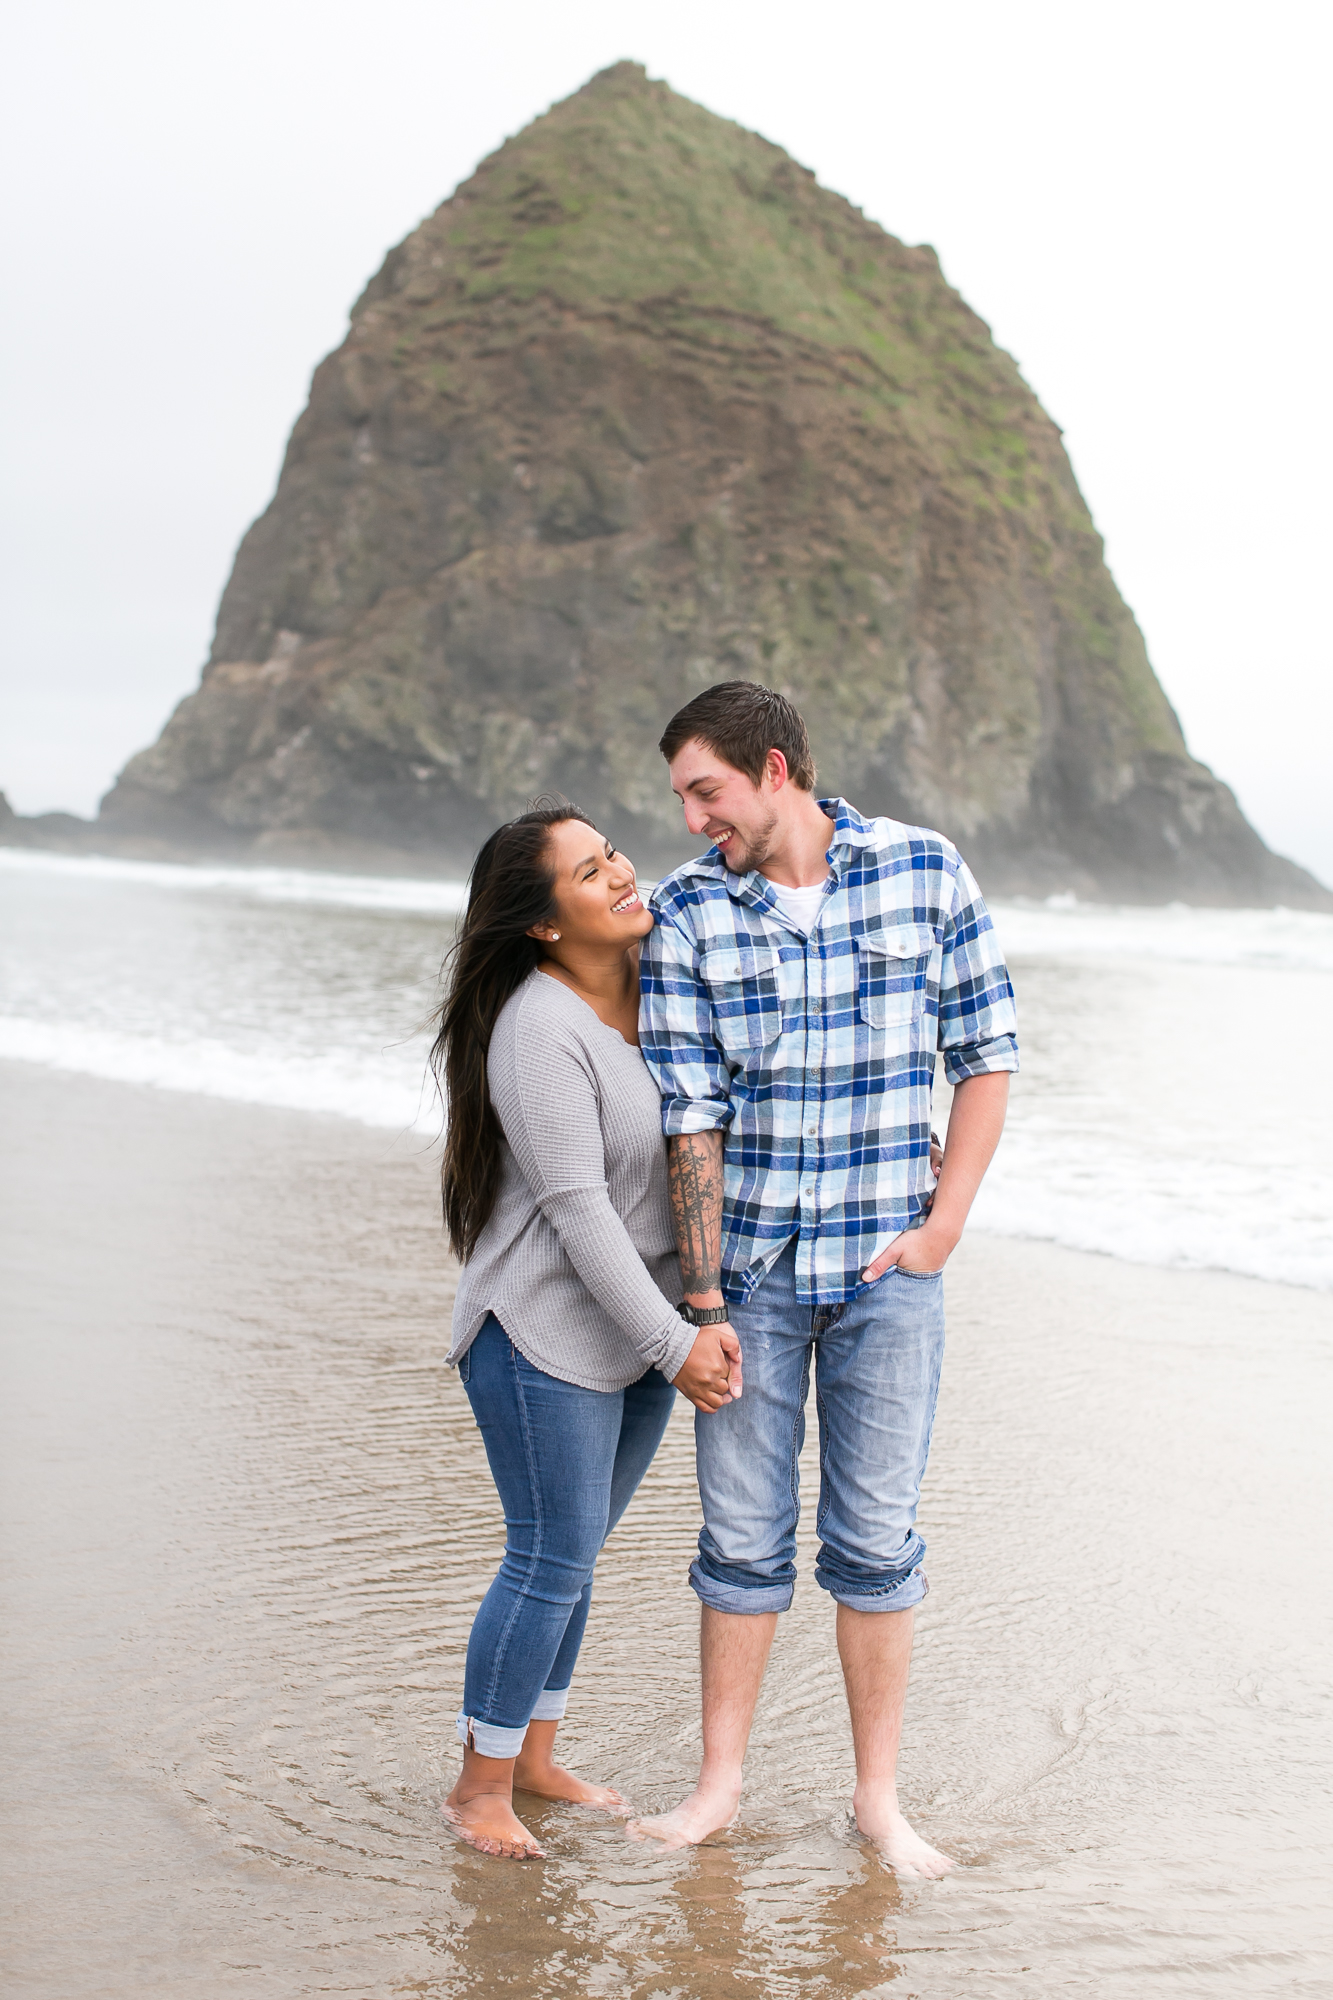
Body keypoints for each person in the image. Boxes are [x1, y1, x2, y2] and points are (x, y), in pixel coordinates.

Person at [632, 683, 1018, 1875]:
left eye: (708, 790)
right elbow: (687, 1118)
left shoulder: (924, 870)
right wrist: (700, 1303)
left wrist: (942, 1230)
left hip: (886, 1271)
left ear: (776, 768)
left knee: (876, 1538)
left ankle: (876, 1800)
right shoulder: (688, 912)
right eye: (685, 797)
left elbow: (987, 1052)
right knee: (738, 1540)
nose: (695, 818)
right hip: (746, 1275)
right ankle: (718, 1789)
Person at [431, 803, 741, 1860]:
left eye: (612, 852)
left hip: (638, 1333)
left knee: (575, 1554)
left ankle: (530, 1755)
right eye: (585, 872)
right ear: (544, 923)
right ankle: (477, 1788)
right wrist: (678, 1341)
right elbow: (578, 1209)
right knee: (546, 1555)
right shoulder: (536, 1026)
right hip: (539, 1335)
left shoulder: (662, 999)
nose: (618, 873)